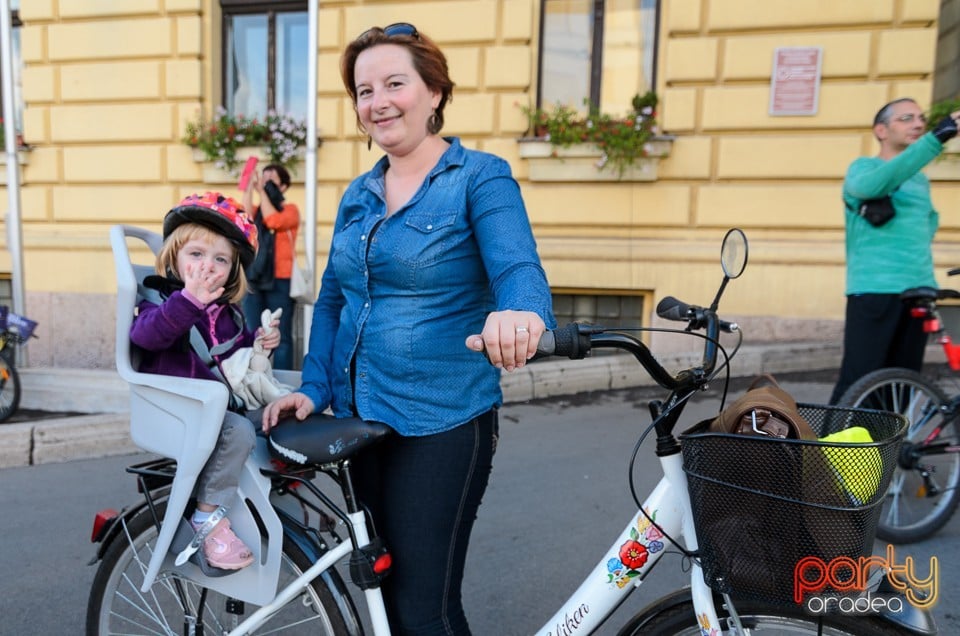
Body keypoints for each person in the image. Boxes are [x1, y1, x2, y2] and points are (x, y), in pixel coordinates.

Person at [262, 23, 556, 635]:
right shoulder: (359, 194)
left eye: (395, 83)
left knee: (426, 610)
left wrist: (521, 313)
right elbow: (335, 302)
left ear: (434, 93)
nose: (378, 102)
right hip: (357, 421)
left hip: (440, 421)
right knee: (382, 600)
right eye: (364, 91)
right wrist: (313, 389)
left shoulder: (480, 177)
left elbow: (518, 267)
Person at [130, 191, 282, 570]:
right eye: (195, 255)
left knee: (275, 422)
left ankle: (269, 504)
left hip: (214, 405)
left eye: (220, 260)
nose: (207, 267)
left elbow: (236, 356)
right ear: (174, 258)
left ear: (233, 271)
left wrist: (261, 347)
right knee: (239, 433)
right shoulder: (160, 299)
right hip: (180, 406)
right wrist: (187, 301)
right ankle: (207, 518)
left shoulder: (228, 312)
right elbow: (144, 337)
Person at [829, 98, 960, 404]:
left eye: (921, 118)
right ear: (881, 130)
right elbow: (871, 188)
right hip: (875, 288)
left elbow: (929, 223)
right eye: (906, 118)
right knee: (860, 381)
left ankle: (890, 451)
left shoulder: (919, 180)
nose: (918, 124)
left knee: (901, 383)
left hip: (918, 289)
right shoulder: (863, 168)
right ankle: (834, 450)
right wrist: (935, 139)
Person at [242, 163, 300, 370]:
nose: (265, 184)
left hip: (280, 280)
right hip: (254, 277)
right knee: (252, 331)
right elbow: (245, 218)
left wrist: (262, 192)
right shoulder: (257, 211)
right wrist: (250, 186)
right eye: (263, 179)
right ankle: (253, 375)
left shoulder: (291, 210)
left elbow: (273, 220)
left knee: (281, 334)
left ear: (283, 186)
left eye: (271, 180)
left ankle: (282, 377)